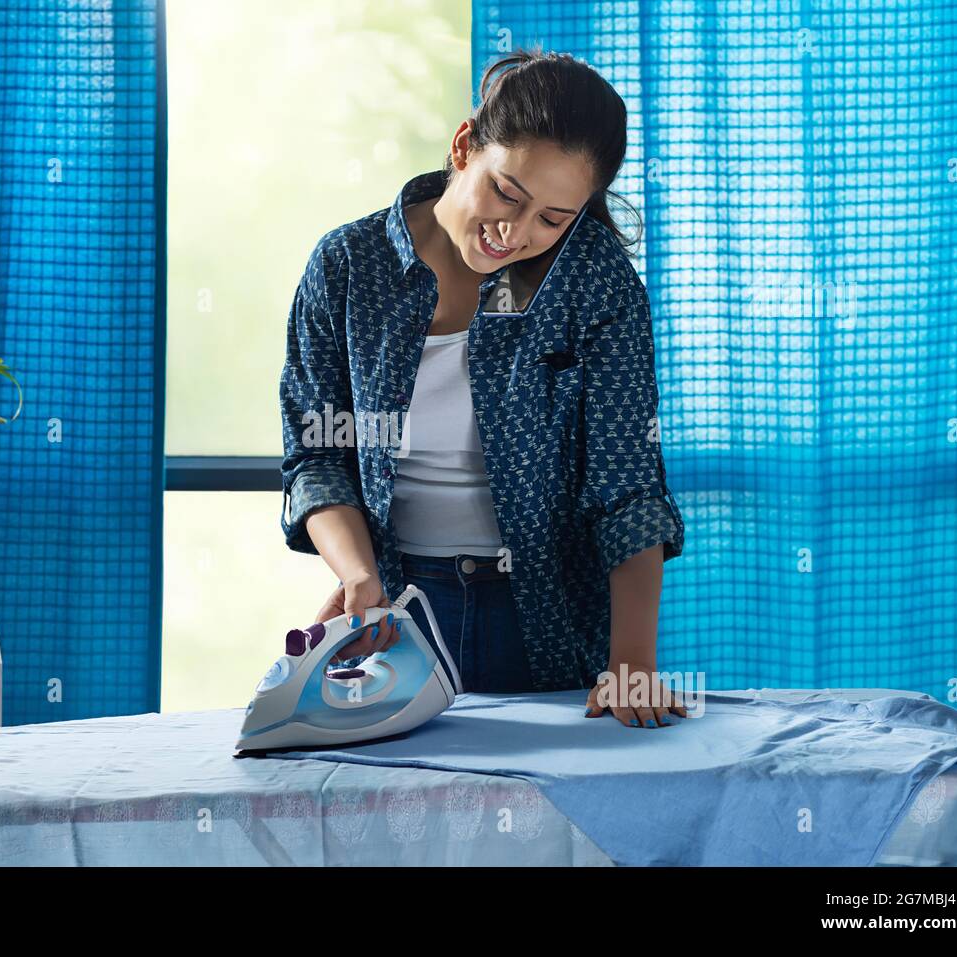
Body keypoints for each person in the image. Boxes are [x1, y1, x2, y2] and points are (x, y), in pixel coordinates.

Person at [278, 47, 687, 729]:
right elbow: (316, 460)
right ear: (465, 146)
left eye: (552, 220)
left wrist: (632, 662)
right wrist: (357, 577)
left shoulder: (597, 283)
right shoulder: (346, 267)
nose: (514, 234)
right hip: (399, 613)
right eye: (508, 193)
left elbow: (629, 488)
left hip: (548, 619)